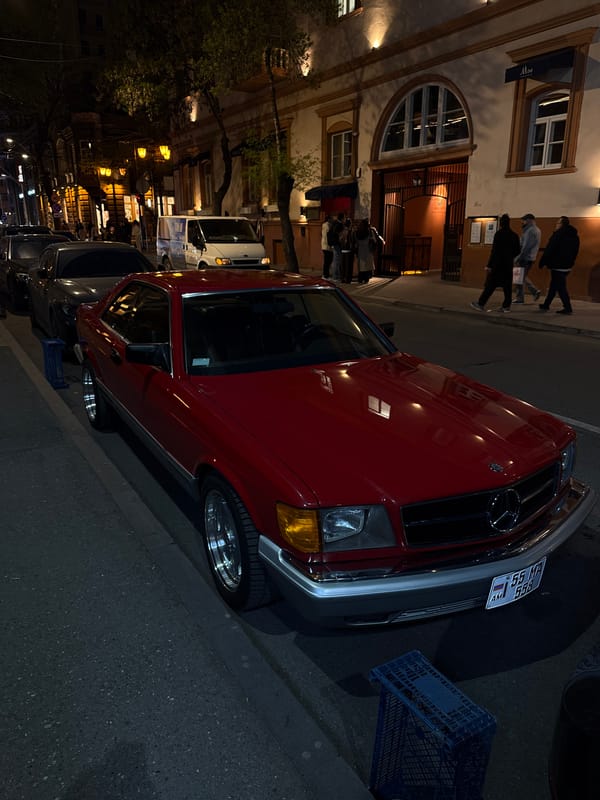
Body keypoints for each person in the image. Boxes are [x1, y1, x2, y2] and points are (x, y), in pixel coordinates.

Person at [470, 213, 520, 313]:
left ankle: (481, 303)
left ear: (501, 223)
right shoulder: (514, 235)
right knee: (507, 287)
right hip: (508, 264)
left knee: (490, 285)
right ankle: (506, 306)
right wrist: (510, 257)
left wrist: (489, 265)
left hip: (497, 265)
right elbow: (518, 250)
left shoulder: (499, 234)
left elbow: (494, 251)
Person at [538, 216, 579, 315]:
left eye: (558, 223)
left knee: (561, 288)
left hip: (557, 265)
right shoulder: (574, 236)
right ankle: (546, 304)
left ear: (562, 224)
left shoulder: (558, 235)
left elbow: (550, 248)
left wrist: (542, 262)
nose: (556, 225)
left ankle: (568, 307)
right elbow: (575, 251)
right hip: (567, 265)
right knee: (554, 286)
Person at [514, 213, 541, 303]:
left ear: (529, 220)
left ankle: (533, 291)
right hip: (529, 257)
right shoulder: (535, 230)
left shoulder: (530, 231)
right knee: (519, 276)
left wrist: (519, 257)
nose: (522, 222)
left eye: (524, 220)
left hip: (525, 258)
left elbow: (526, 247)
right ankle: (520, 298)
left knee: (519, 276)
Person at [355, 218, 379, 284]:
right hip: (367, 249)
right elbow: (374, 240)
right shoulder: (369, 231)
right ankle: (366, 278)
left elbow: (356, 240)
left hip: (360, 249)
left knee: (361, 265)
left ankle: (360, 278)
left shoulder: (358, 231)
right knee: (367, 265)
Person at [327, 212, 345, 282]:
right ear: (342, 218)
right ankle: (336, 276)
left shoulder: (334, 223)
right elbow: (339, 235)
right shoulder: (339, 224)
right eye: (344, 217)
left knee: (335, 260)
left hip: (333, 243)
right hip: (337, 244)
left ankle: (335, 276)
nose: (345, 219)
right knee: (337, 260)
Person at [340, 217, 356, 283]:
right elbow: (353, 241)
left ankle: (343, 278)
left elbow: (340, 240)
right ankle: (348, 279)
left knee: (343, 265)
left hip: (342, 250)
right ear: (350, 224)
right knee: (348, 266)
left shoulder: (342, 231)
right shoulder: (351, 231)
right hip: (349, 251)